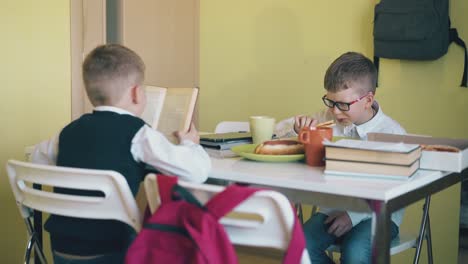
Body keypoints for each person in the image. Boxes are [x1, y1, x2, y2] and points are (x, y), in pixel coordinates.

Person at [31, 44, 211, 264]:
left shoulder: (67, 132)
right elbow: (197, 173)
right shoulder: (138, 133)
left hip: (61, 250)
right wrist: (189, 144)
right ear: (136, 93)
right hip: (115, 251)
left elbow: (35, 159)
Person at [275, 51, 405, 264]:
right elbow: (278, 131)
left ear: (368, 100)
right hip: (333, 208)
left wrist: (352, 216)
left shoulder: (392, 134)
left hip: (378, 215)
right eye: (330, 102)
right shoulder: (328, 119)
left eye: (343, 105)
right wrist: (296, 128)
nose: (335, 112)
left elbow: (391, 190)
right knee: (300, 247)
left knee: (355, 252)